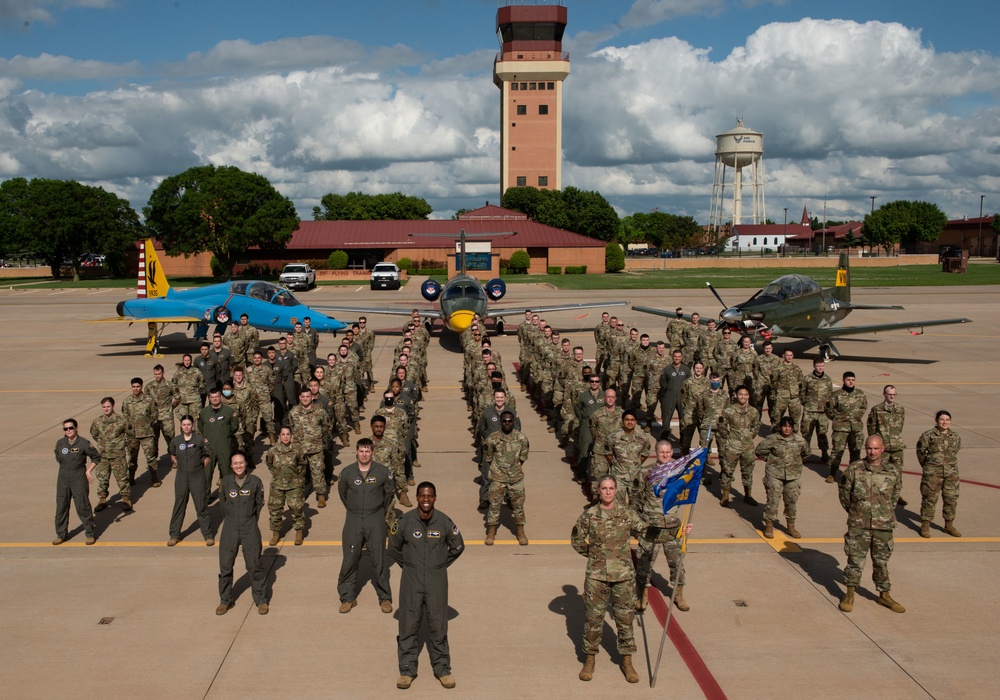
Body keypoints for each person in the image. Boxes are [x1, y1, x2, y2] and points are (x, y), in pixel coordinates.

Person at [571, 474, 650, 684]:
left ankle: (627, 661)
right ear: (598, 491)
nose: (607, 492)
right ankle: (589, 659)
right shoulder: (589, 516)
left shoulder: (627, 514)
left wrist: (678, 532)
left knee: (625, 620)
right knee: (593, 620)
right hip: (596, 577)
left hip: (623, 576)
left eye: (611, 488)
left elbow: (647, 532)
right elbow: (577, 539)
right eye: (604, 488)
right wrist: (595, 555)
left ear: (616, 490)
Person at [389, 482, 465, 690]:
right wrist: (409, 566)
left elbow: (458, 546)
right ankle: (407, 670)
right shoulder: (404, 521)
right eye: (422, 495)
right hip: (411, 580)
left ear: (435, 498)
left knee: (438, 624)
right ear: (416, 497)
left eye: (429, 496)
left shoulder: (444, 522)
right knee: (408, 624)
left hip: (436, 581)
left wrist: (439, 564)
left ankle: (443, 669)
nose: (425, 499)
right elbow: (393, 547)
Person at [838, 435, 905, 614]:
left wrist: (883, 512)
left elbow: (895, 496)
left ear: (882, 449)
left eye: (876, 448)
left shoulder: (893, 471)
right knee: (855, 560)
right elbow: (845, 495)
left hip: (883, 524)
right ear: (865, 448)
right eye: (869, 448)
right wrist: (856, 512)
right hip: (859, 524)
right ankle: (850, 594)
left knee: (881, 562)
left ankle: (884, 595)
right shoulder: (854, 469)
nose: (872, 452)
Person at [634, 440, 694, 612]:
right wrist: (639, 524)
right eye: (662, 452)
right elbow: (636, 499)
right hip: (651, 526)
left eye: (668, 452)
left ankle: (678, 593)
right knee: (645, 563)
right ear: (656, 452)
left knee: (677, 563)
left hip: (673, 526)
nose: (665, 455)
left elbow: (687, 492)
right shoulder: (646, 472)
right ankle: (642, 594)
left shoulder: (679, 472)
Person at [337, 438, 395, 613]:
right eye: (361, 451)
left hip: (375, 518)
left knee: (379, 559)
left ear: (373, 452)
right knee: (350, 557)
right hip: (353, 519)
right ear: (356, 452)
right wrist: (355, 509)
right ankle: (347, 598)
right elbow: (343, 494)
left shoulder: (383, 472)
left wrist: (375, 510)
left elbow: (389, 495)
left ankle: (384, 598)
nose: (364, 454)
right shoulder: (347, 473)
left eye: (367, 451)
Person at [217, 451, 269, 616]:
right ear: (231, 466)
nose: (238, 465)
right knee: (225, 565)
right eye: (235, 463)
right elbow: (223, 506)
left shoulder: (255, 482)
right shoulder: (225, 483)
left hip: (249, 526)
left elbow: (259, 505)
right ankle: (225, 600)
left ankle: (261, 600)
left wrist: (249, 520)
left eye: (241, 462)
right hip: (230, 527)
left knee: (255, 565)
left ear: (246, 463)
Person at [754, 416, 810, 539]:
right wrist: (771, 461)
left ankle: (791, 526)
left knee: (791, 502)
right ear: (780, 427)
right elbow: (759, 451)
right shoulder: (772, 439)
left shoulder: (799, 440)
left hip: (793, 476)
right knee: (773, 501)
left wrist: (796, 465)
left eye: (790, 427)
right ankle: (768, 525)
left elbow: (806, 453)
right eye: (785, 426)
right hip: (775, 475)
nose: (787, 429)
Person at [482, 410, 530, 546]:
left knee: (518, 506)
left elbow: (523, 457)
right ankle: (491, 532)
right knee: (494, 505)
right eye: (504, 421)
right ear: (500, 422)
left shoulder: (521, 438)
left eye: (510, 421)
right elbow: (488, 456)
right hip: (498, 478)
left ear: (513, 422)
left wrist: (513, 468)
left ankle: (520, 532)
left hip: (515, 478)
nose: (507, 423)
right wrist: (499, 470)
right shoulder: (493, 438)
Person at [167, 416, 215, 547]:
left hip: (197, 475)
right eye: (184, 425)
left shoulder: (200, 439)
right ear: (181, 426)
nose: (186, 427)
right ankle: (174, 534)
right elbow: (172, 453)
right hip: (181, 476)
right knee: (179, 504)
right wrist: (176, 462)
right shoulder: (176, 441)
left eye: (188, 424)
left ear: (192, 425)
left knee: (201, 505)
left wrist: (201, 466)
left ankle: (208, 535)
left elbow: (208, 454)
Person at [52, 418, 100, 546]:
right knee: (61, 506)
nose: (68, 431)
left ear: (76, 428)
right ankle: (61, 534)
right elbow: (58, 457)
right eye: (66, 428)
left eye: (71, 428)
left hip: (78, 477)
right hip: (63, 478)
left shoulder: (84, 443)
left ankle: (89, 533)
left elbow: (96, 457)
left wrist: (88, 471)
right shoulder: (60, 443)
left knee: (82, 506)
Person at [916, 410, 962, 538]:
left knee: (951, 499)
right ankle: (925, 525)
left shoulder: (955, 436)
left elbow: (956, 450)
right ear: (936, 420)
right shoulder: (928, 435)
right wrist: (928, 466)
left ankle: (949, 525)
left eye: (947, 420)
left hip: (951, 473)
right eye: (942, 419)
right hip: (932, 474)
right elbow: (920, 451)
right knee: (929, 499)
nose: (945, 422)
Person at [285, 387, 332, 508]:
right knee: (298, 473)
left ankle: (321, 495)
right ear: (300, 398)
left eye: (308, 396)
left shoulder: (320, 411)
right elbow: (290, 426)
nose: (305, 399)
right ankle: (298, 495)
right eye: (303, 397)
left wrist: (318, 438)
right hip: (299, 449)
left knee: (318, 471)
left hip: (315, 448)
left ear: (312, 397)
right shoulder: (294, 412)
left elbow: (326, 426)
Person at [717, 385, 761, 507]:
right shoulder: (729, 411)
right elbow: (721, 426)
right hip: (732, 446)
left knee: (747, 472)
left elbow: (756, 426)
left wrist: (749, 436)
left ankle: (748, 495)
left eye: (745, 394)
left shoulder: (753, 411)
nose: (743, 397)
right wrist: (729, 438)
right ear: (736, 395)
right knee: (727, 471)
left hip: (748, 447)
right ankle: (725, 495)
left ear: (748, 396)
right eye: (740, 394)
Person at [264, 427, 306, 546]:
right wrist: (277, 475)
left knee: (297, 508)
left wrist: (297, 477)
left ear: (291, 436)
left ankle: (299, 532)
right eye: (283, 434)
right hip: (277, 485)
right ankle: (276, 533)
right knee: (275, 510)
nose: (286, 437)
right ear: (279, 436)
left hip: (294, 485)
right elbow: (269, 464)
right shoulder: (273, 451)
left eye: (288, 434)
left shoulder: (297, 450)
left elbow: (302, 465)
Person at [867, 384, 908, 506]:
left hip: (896, 447)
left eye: (894, 394)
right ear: (884, 394)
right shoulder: (877, 409)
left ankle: (896, 494)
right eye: (889, 394)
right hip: (882, 448)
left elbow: (900, 426)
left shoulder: (900, 409)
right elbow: (871, 428)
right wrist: (877, 444)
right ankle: (878, 495)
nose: (891, 396)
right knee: (879, 471)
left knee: (897, 472)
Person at [198, 387, 239, 501]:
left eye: (217, 396)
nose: (215, 399)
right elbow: (200, 427)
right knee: (206, 475)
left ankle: (228, 497)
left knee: (227, 473)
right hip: (208, 449)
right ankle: (205, 498)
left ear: (221, 397)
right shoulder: (204, 412)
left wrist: (224, 436)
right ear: (209, 398)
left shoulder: (229, 412)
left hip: (224, 447)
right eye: (212, 397)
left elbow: (234, 427)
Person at [90, 397, 130, 512]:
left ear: (113, 406)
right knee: (102, 478)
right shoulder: (97, 421)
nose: (106, 409)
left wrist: (120, 445)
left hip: (118, 455)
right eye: (104, 407)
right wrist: (103, 444)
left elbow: (130, 434)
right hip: (103, 455)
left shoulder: (122, 420)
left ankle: (126, 498)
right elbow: (94, 434)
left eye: (108, 406)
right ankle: (102, 499)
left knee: (122, 478)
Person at [825, 371, 868, 483]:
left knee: (855, 452)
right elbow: (829, 410)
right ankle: (832, 473)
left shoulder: (860, 394)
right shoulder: (836, 395)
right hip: (840, 429)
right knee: (837, 451)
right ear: (843, 380)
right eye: (848, 380)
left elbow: (863, 407)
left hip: (856, 428)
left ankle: (853, 474)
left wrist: (856, 417)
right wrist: (837, 419)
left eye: (852, 380)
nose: (851, 382)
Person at [122, 376, 160, 487]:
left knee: (150, 457)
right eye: (133, 387)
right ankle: (131, 477)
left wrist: (147, 425)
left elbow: (154, 414)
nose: (136, 389)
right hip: (132, 435)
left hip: (146, 434)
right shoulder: (127, 401)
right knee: (132, 457)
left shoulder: (149, 400)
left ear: (142, 386)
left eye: (138, 386)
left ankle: (154, 477)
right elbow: (125, 416)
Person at [800, 358, 833, 464]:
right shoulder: (807, 379)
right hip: (810, 411)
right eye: (818, 366)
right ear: (814, 366)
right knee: (806, 434)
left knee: (822, 434)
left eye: (822, 365)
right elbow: (802, 393)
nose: (820, 368)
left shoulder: (828, 379)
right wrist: (807, 404)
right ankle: (805, 454)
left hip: (823, 412)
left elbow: (830, 395)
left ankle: (824, 453)